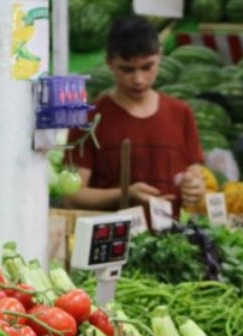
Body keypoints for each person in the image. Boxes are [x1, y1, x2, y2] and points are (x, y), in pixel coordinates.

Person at [64, 16, 205, 212]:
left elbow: (194, 175)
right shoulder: (88, 119)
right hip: (111, 237)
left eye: (147, 67)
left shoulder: (181, 113)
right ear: (109, 63)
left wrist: (195, 187)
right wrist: (125, 193)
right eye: (127, 69)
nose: (138, 79)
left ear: (160, 56)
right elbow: (73, 195)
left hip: (171, 238)